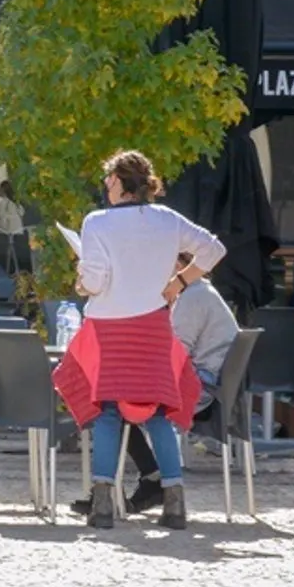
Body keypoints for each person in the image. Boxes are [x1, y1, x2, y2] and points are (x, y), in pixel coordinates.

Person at [54, 150, 227, 531]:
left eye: (108, 179)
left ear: (118, 181)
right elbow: (214, 249)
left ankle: (101, 503)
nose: (105, 185)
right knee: (160, 410)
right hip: (152, 325)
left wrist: (82, 281)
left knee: (107, 410)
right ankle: (175, 502)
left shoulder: (96, 222)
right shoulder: (167, 219)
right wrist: (179, 282)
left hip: (109, 328)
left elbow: (96, 283)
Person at [69, 253, 241, 516]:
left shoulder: (192, 297)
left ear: (178, 267)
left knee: (111, 405)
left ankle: (111, 494)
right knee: (131, 404)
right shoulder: (197, 292)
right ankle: (163, 488)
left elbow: (175, 352)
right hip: (206, 381)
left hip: (200, 387)